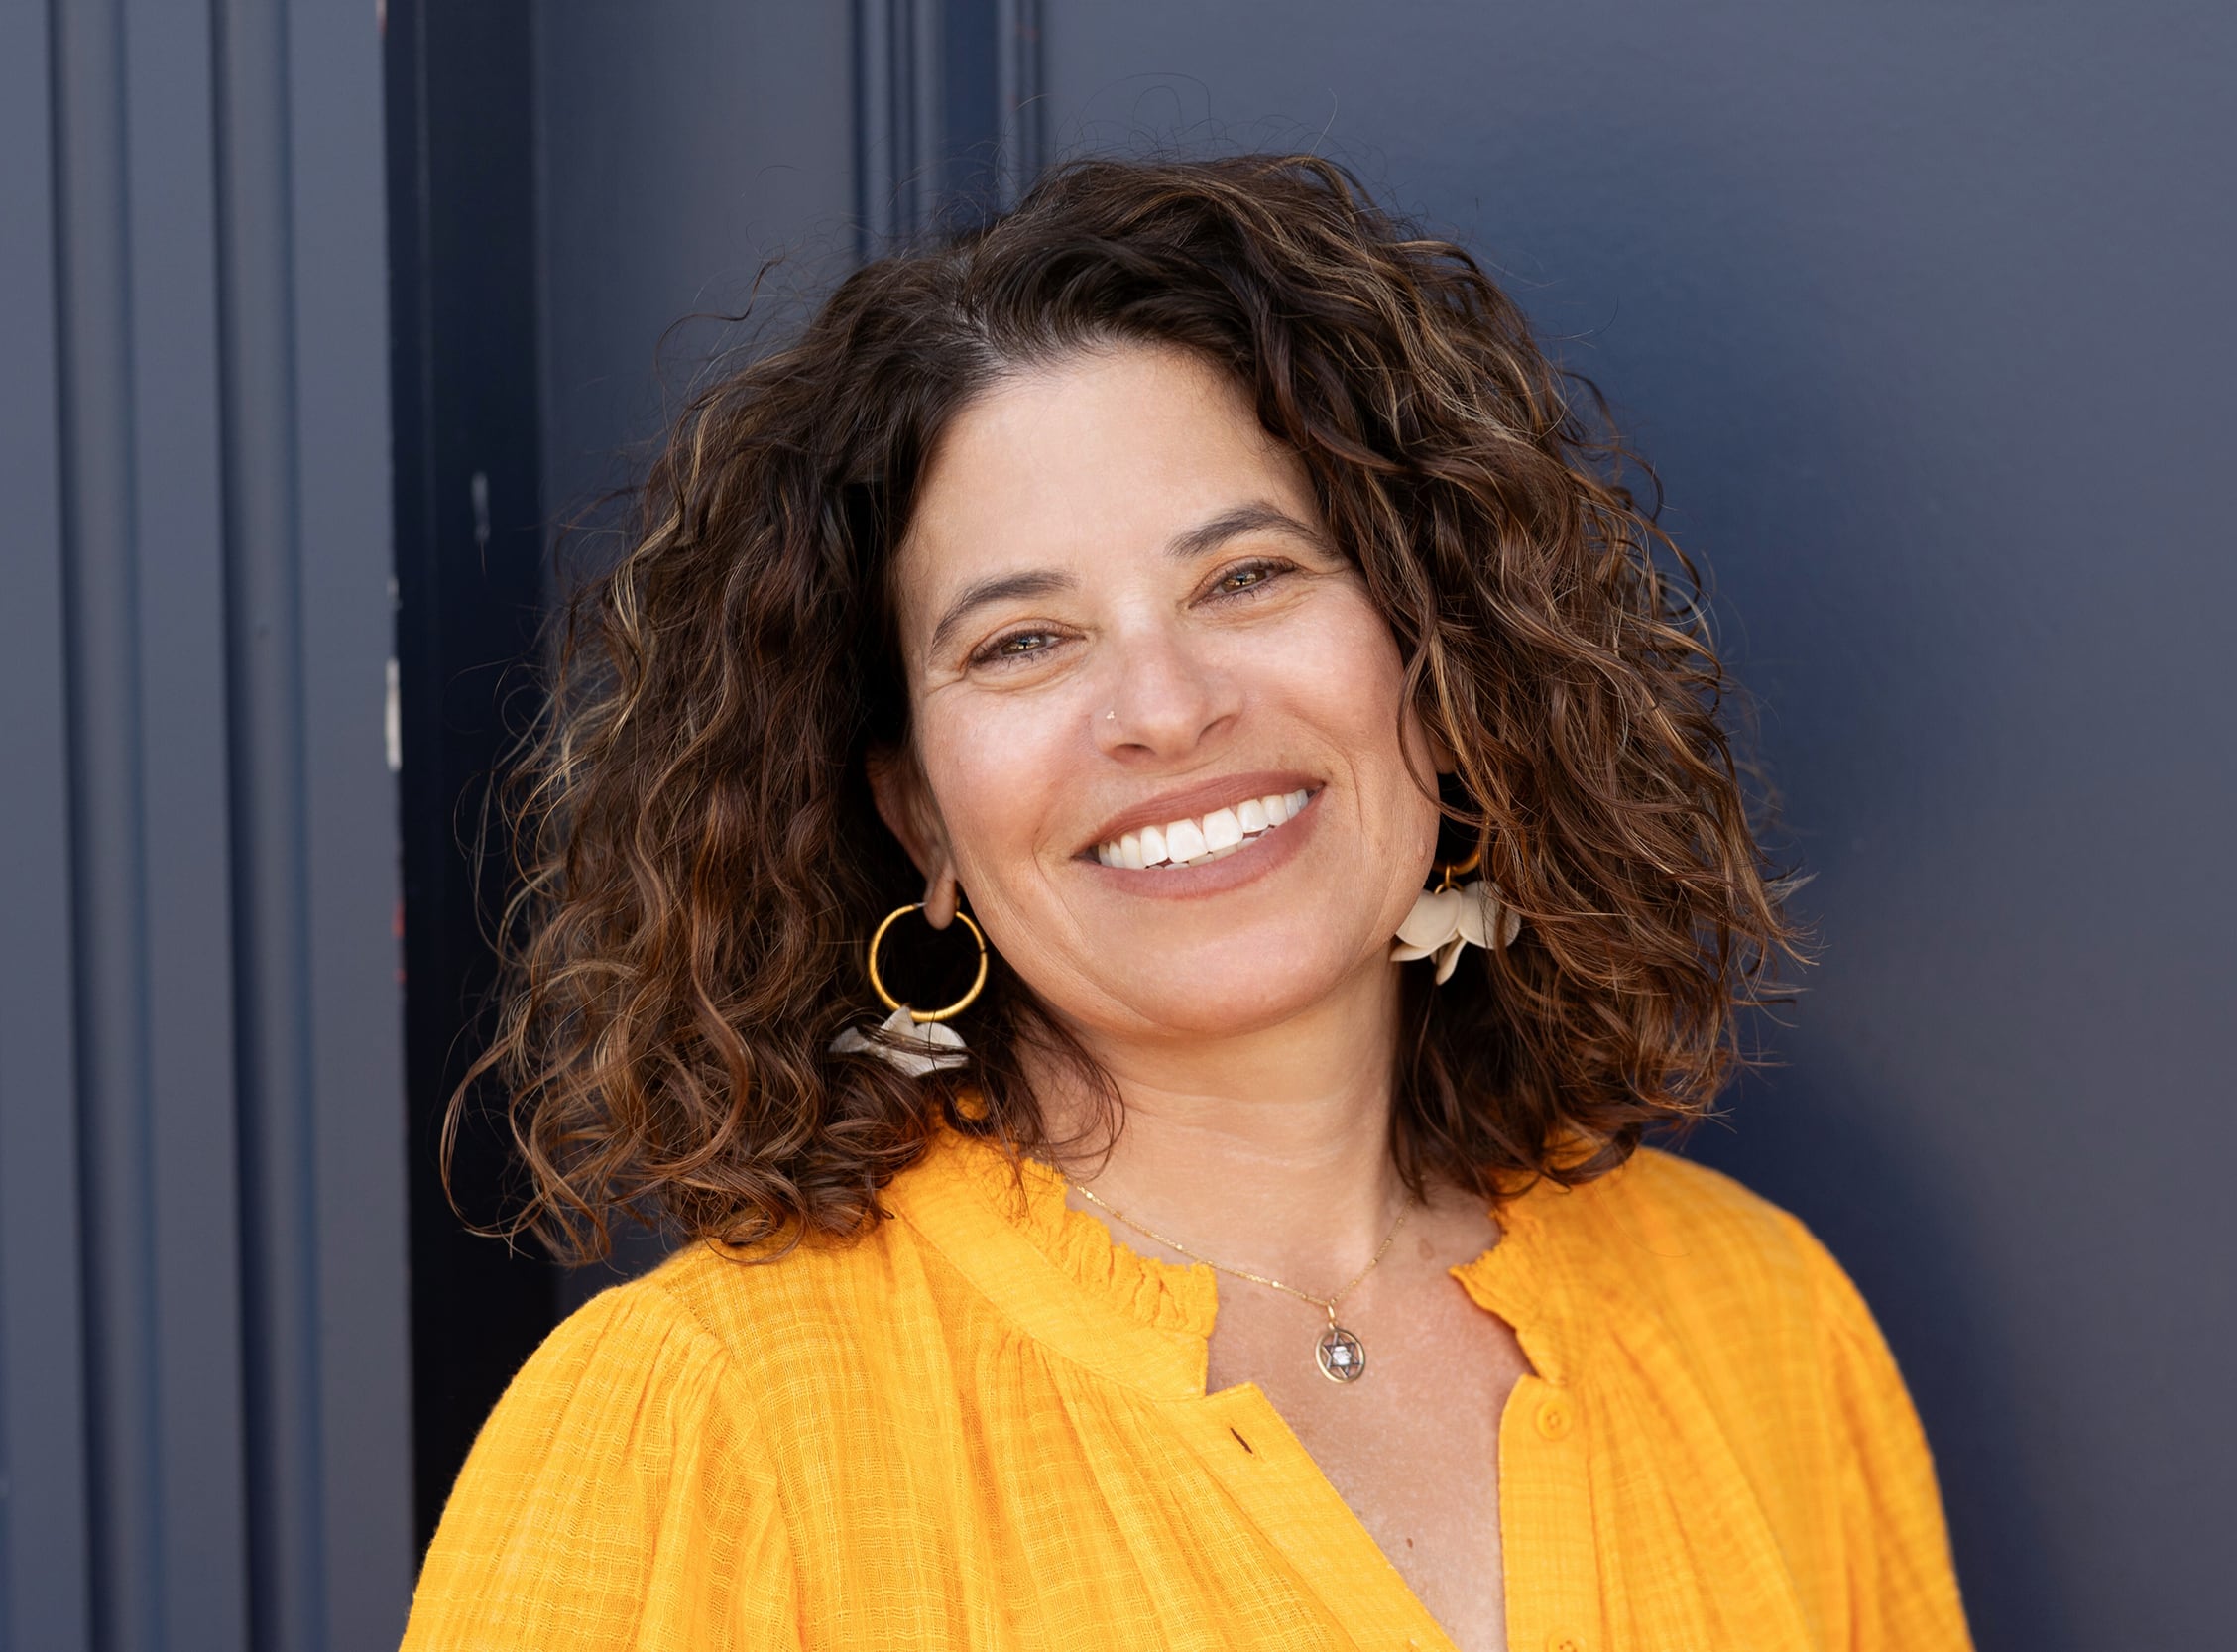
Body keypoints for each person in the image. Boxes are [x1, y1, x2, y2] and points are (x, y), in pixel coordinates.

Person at [402, 153, 1972, 1652]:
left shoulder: (1761, 1323)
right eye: (1023, 641)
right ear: (917, 814)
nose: (1163, 706)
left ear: (1440, 669)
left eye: (1247, 577)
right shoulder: (704, 1421)